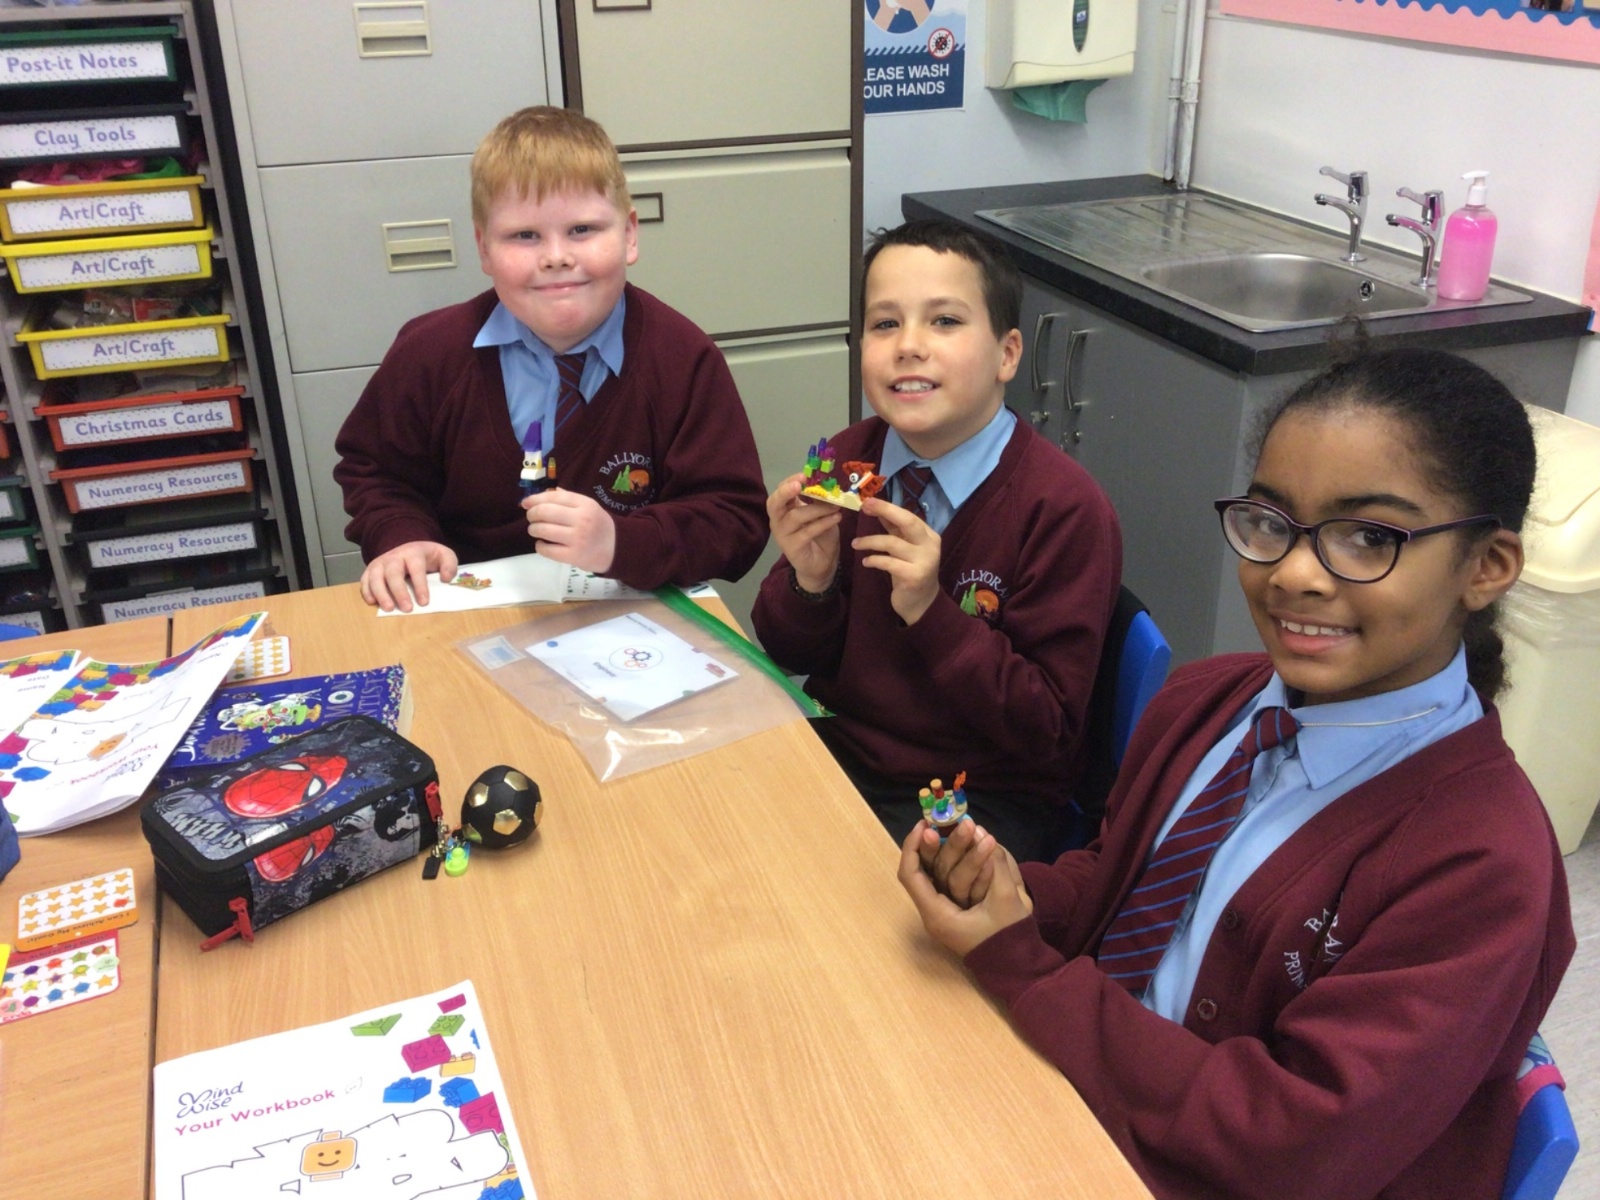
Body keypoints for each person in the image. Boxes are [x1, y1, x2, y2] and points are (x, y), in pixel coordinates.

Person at [897, 347, 1575, 1199]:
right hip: (1085, 1102)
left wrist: (1021, 965)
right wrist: (1009, 893)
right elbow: (1118, 880)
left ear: (1486, 567)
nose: (1294, 572)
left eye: (1369, 537)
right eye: (1271, 521)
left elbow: (1291, 1144)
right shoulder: (1207, 700)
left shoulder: (1481, 864)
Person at [753, 219, 1121, 862]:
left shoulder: (1064, 510)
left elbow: (1047, 732)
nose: (909, 346)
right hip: (845, 750)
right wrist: (810, 583)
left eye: (945, 321)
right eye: (885, 323)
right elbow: (787, 652)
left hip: (983, 795)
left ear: (1008, 354)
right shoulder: (847, 460)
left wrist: (930, 611)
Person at [334, 106, 768, 611]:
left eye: (582, 229)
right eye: (525, 235)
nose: (556, 256)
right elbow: (377, 471)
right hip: (465, 611)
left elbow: (735, 520)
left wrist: (620, 541)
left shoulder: (682, 359)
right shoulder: (430, 353)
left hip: (630, 615)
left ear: (629, 235)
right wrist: (400, 535)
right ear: (484, 248)